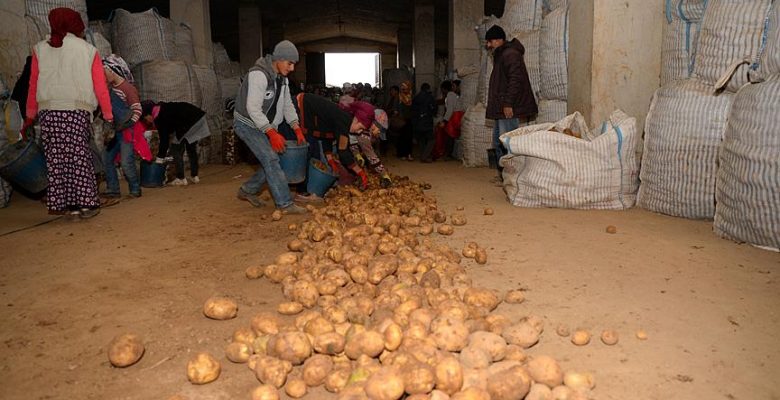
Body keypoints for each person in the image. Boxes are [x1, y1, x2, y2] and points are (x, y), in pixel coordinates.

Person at [25, 7, 113, 219]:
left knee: (57, 160)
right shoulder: (87, 50)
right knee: (79, 156)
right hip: (75, 110)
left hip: (48, 113)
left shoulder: (39, 49)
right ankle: (87, 205)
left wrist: (29, 115)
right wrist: (108, 115)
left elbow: (33, 84)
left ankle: (69, 206)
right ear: (75, 24)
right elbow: (100, 86)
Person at [232, 40, 306, 214]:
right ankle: (285, 204)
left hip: (264, 125)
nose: (292, 68)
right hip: (247, 124)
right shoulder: (259, 75)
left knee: (273, 160)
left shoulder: (282, 79)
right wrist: (271, 133)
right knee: (271, 159)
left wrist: (296, 127)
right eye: (290, 63)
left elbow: (287, 105)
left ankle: (247, 190)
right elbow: (253, 109)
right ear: (279, 59)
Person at [295, 93, 392, 191]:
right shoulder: (344, 122)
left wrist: (329, 158)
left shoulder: (348, 120)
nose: (359, 132)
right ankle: (305, 190)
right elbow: (343, 151)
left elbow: (328, 136)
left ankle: (307, 188)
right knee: (310, 153)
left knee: (315, 153)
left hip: (307, 108)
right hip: (302, 107)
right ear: (357, 120)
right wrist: (359, 172)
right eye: (360, 128)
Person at [485, 24, 538, 182]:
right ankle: (504, 176)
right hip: (501, 106)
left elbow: (516, 80)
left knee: (508, 142)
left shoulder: (510, 55)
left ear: (500, 40)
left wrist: (508, 103)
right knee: (498, 141)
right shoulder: (502, 55)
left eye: (490, 41)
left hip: (507, 107)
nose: (488, 45)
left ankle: (513, 177)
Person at [101, 55, 150, 200]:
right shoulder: (110, 90)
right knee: (107, 158)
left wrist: (129, 123)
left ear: (112, 70)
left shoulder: (127, 88)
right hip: (116, 131)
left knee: (126, 162)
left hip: (128, 131)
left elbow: (137, 109)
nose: (103, 75)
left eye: (105, 71)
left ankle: (135, 189)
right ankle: (113, 189)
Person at [140, 101, 209, 186]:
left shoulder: (159, 118)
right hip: (199, 118)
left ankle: (181, 178)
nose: (147, 121)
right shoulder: (163, 107)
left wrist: (160, 158)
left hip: (188, 123)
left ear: (148, 114)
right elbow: (172, 127)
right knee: (191, 148)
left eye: (145, 118)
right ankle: (195, 176)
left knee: (175, 150)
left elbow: (164, 139)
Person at [433, 80, 465, 160]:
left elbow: (450, 109)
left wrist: (445, 121)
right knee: (451, 136)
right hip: (456, 115)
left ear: (444, 89)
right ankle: (448, 153)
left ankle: (447, 154)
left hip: (454, 116)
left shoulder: (450, 95)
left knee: (449, 135)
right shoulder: (453, 95)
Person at [411, 82, 436, 163]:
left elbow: (413, 111)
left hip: (417, 122)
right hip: (426, 122)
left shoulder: (415, 98)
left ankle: (423, 155)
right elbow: (433, 109)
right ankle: (424, 157)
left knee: (421, 139)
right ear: (428, 89)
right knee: (431, 139)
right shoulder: (430, 97)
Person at [395, 81, 414, 161]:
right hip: (401, 120)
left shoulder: (412, 96)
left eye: (405, 87)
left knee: (409, 138)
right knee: (402, 137)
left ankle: (408, 154)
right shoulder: (399, 97)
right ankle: (402, 154)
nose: (404, 89)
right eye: (403, 87)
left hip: (409, 120)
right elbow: (397, 108)